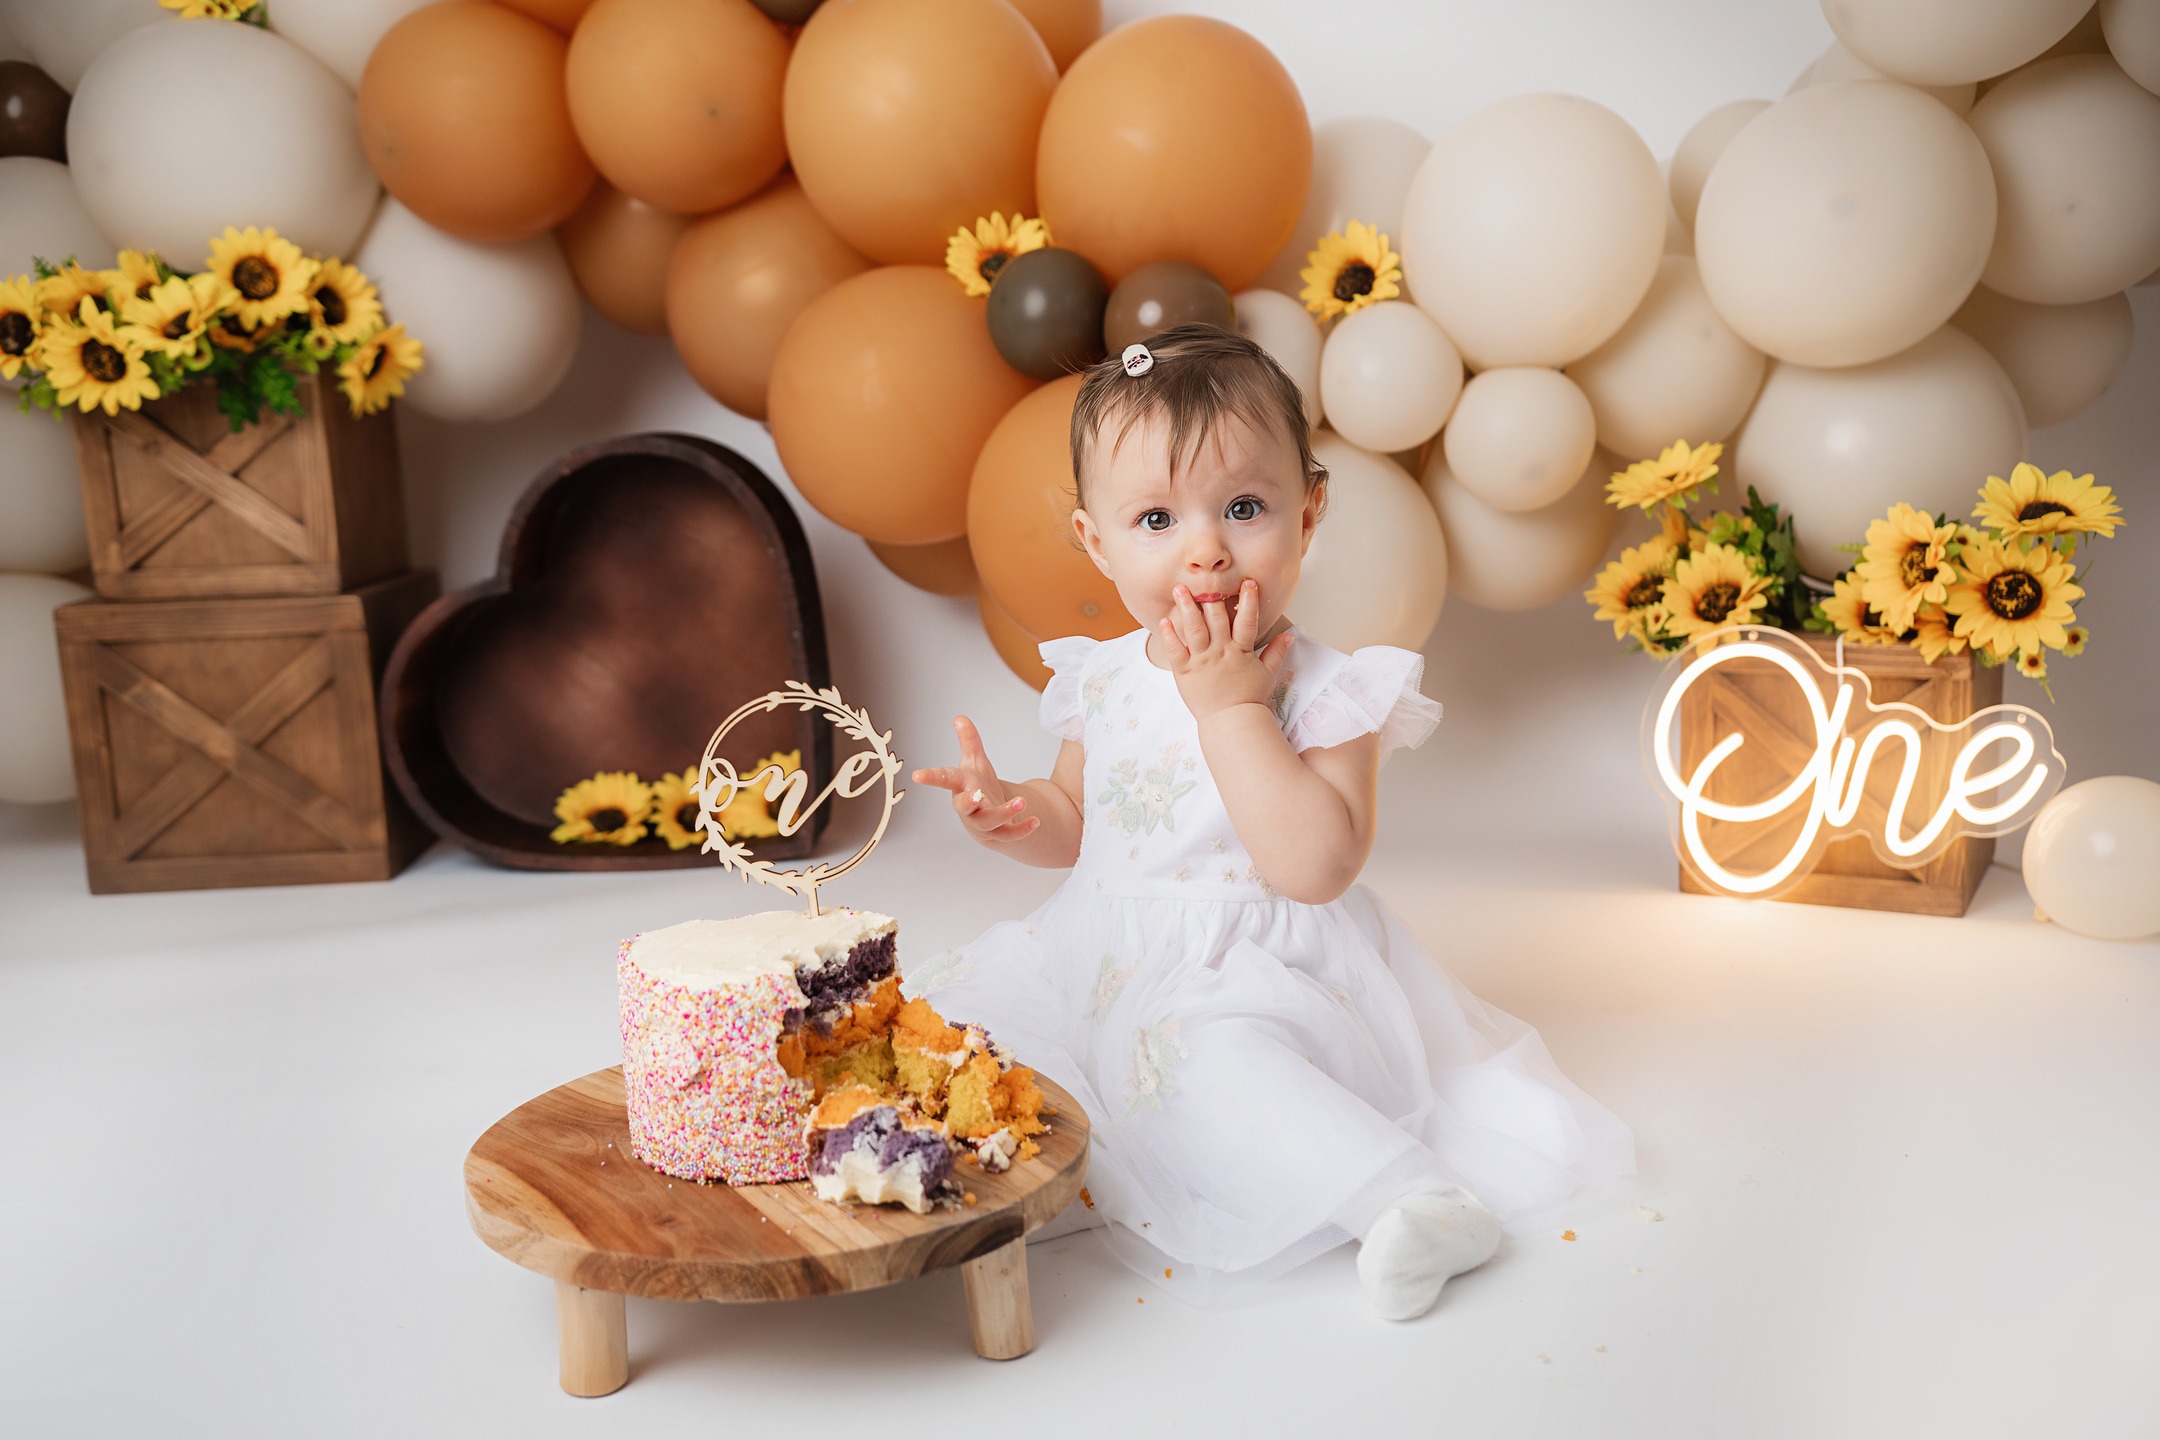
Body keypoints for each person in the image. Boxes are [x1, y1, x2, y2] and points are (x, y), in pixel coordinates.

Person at [906, 323, 1633, 1318]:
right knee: (957, 1025)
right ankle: (1039, 1180)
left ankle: (1411, 1198)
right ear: (1097, 541)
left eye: (1244, 508)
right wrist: (1010, 813)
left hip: (1254, 973)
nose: (1205, 546)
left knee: (1209, 1066)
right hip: (1097, 953)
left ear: (1308, 515)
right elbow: (1078, 818)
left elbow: (1317, 865)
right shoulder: (1103, 676)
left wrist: (1233, 712)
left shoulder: (1330, 690)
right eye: (1155, 519)